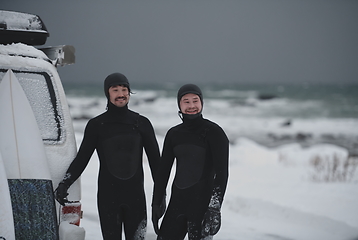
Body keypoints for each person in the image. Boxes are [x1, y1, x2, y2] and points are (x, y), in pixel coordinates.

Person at [55, 72, 161, 240]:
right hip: (108, 198)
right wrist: (65, 183)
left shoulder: (142, 123)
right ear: (107, 93)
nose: (121, 94)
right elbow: (83, 158)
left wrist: (160, 197)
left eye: (124, 89)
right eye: (115, 90)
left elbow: (157, 164)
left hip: (136, 199)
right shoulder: (97, 125)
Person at [152, 84, 229, 240]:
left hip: (202, 208)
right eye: (186, 101)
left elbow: (222, 174)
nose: (192, 106)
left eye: (195, 100)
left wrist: (214, 208)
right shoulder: (174, 134)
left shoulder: (214, 132)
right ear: (179, 105)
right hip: (177, 205)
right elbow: (163, 172)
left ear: (202, 103)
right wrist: (157, 201)